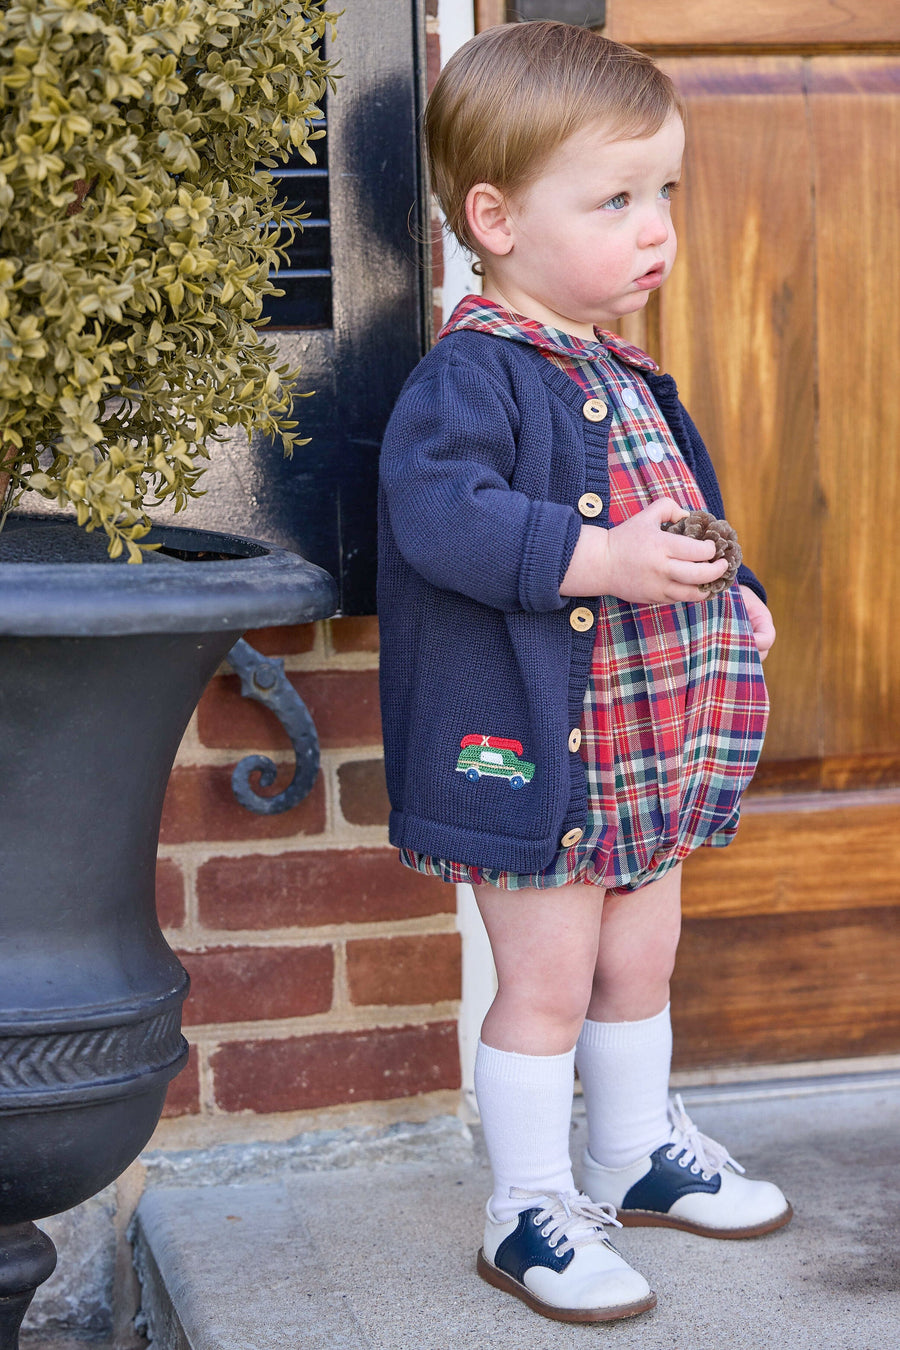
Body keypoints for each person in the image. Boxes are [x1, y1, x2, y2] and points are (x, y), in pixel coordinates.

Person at [377, 20, 791, 1326]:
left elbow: (684, 515)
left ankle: (633, 1153)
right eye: (615, 199)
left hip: (640, 742)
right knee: (548, 978)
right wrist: (594, 556)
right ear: (494, 217)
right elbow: (441, 516)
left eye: (661, 191)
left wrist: (742, 594)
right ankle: (530, 1206)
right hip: (537, 745)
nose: (655, 225)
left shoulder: (627, 370)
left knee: (641, 959)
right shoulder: (475, 376)